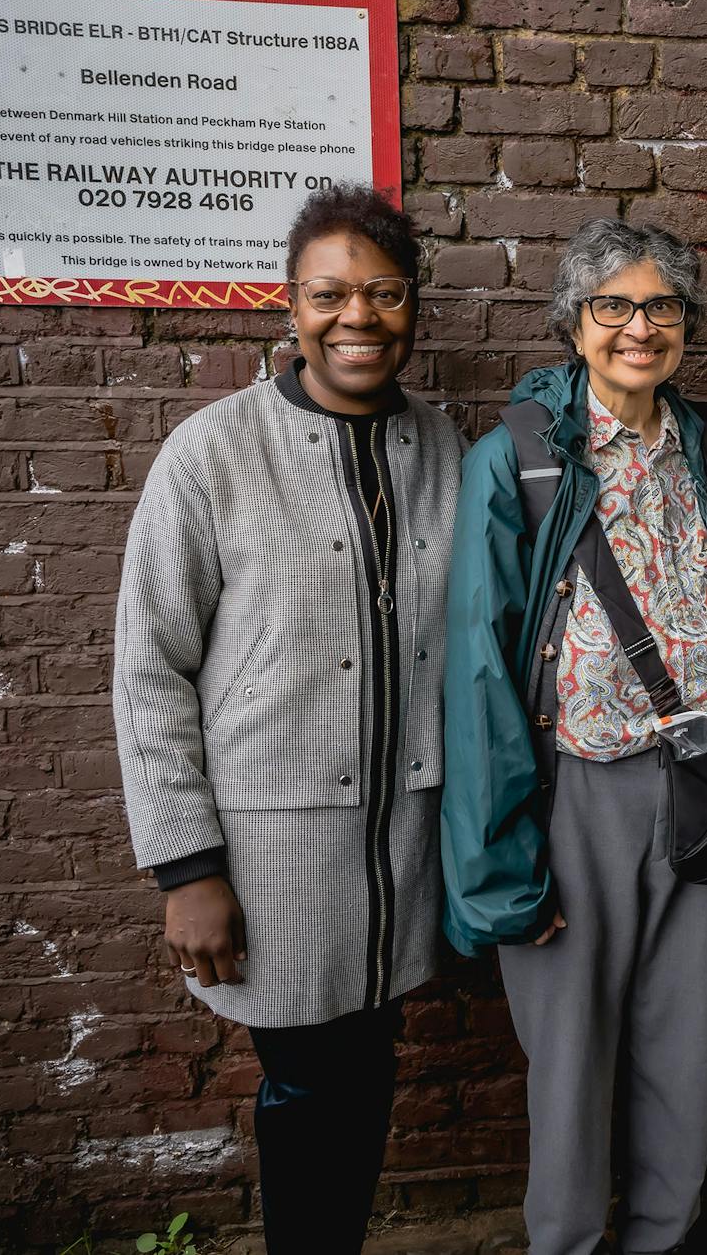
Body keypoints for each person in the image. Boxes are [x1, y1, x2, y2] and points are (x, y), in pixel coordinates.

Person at [441, 219, 707, 1255]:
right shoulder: (516, 460)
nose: (639, 329)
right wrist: (502, 866)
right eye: (614, 307)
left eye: (661, 307)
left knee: (684, 1051)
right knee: (571, 1061)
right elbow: (480, 664)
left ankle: (662, 1236)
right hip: (579, 798)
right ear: (574, 323)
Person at [112, 185, 461, 1253]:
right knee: (310, 1082)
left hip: (405, 848)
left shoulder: (443, 445)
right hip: (271, 855)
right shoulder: (212, 453)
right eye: (330, 294)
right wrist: (186, 866)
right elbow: (149, 666)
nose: (358, 317)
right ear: (291, 306)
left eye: (384, 293)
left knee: (367, 1067)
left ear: (413, 306)